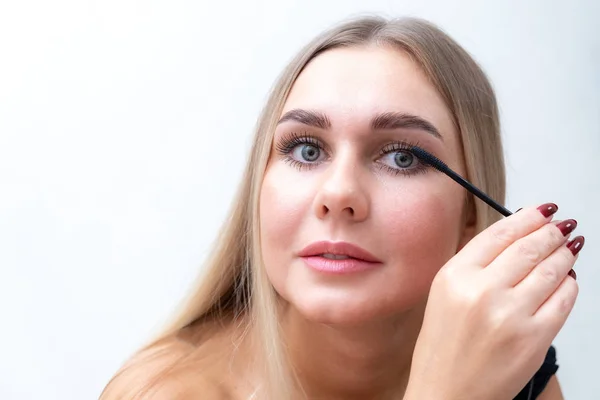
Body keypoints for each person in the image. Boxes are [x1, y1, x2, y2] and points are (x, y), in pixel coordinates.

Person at [100, 15, 583, 399]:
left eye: (402, 157)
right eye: (306, 149)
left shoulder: (504, 362)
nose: (338, 195)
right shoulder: (163, 393)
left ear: (472, 216)